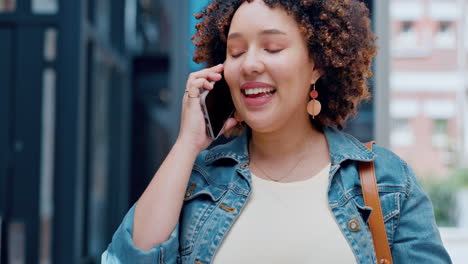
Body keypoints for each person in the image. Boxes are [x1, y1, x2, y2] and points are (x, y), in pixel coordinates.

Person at [102, 0, 452, 263]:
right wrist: (187, 143)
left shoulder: (388, 181)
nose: (251, 64)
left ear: (316, 64)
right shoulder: (198, 182)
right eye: (236, 52)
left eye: (272, 48)